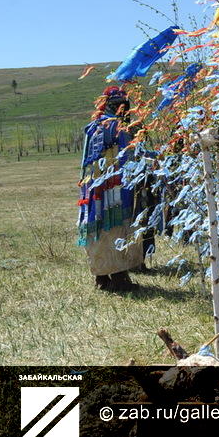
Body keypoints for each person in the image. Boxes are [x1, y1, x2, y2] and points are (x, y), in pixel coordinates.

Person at [77, 86, 144, 291]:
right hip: (113, 185)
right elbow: (127, 156)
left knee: (98, 224)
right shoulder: (117, 126)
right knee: (114, 224)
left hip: (92, 188)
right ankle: (119, 277)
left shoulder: (92, 126)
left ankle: (102, 277)